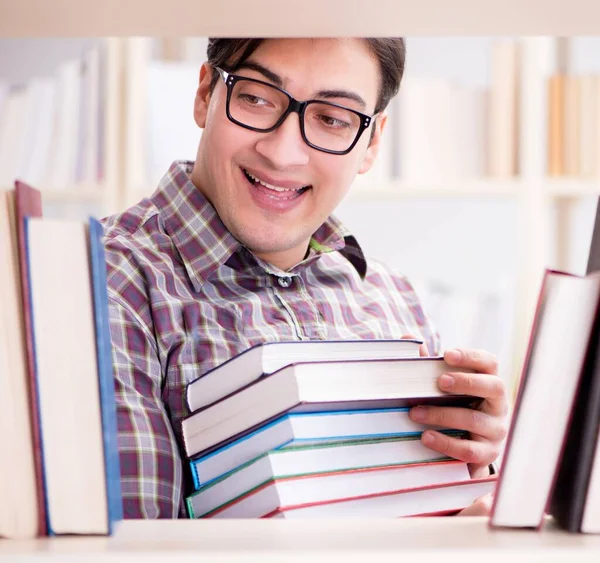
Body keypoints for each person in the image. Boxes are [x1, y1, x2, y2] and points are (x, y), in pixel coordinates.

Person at [101, 37, 509, 519]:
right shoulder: (107, 282)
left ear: (371, 143)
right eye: (255, 97)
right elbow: (128, 549)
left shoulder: (392, 297)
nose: (283, 153)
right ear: (205, 92)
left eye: (332, 118)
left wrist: (468, 502)